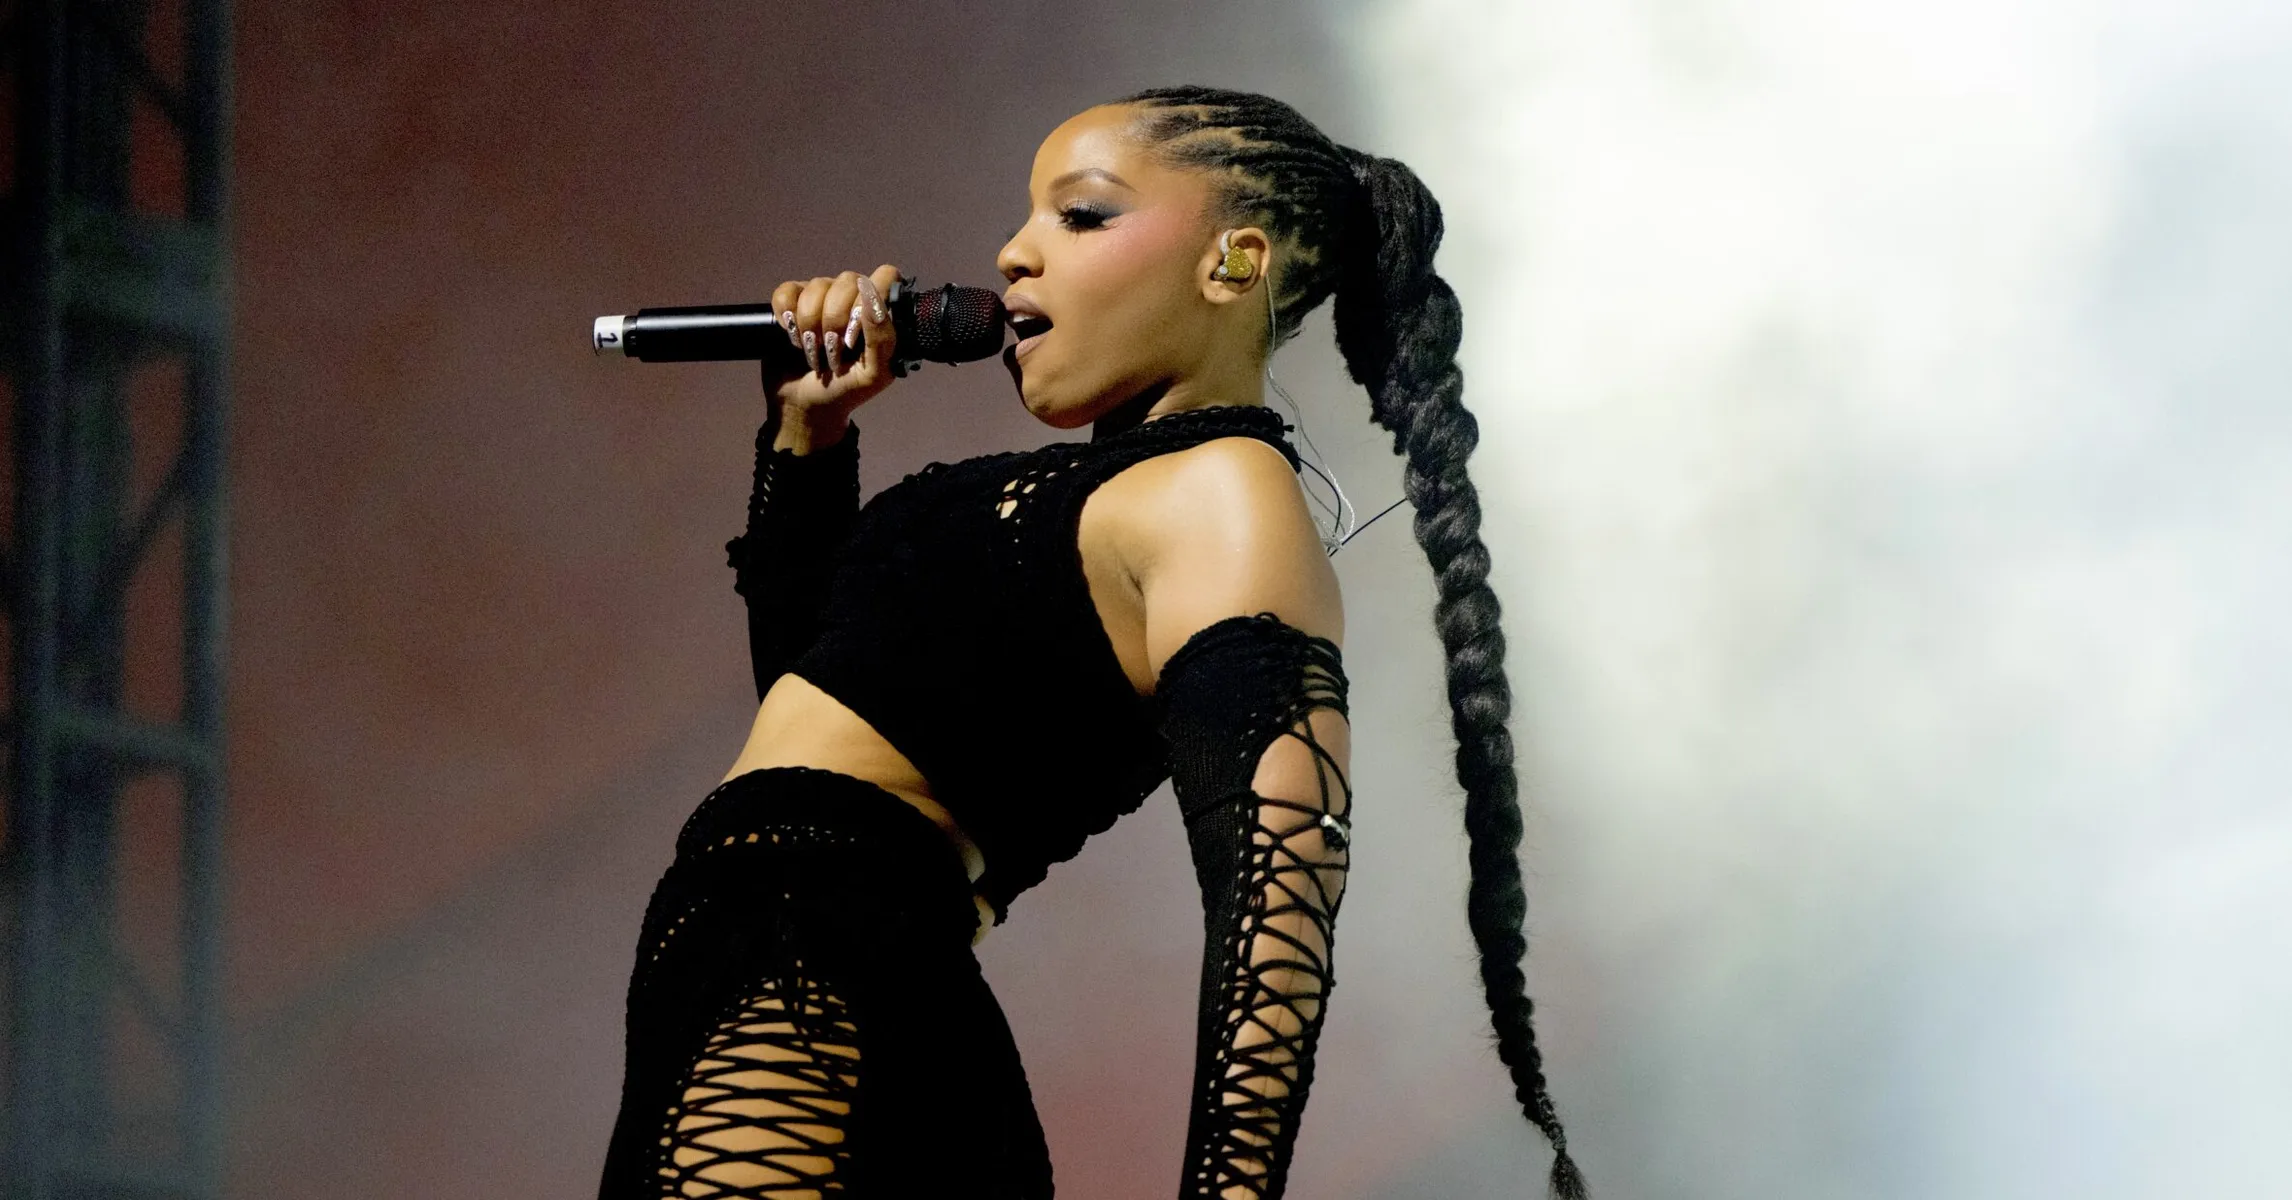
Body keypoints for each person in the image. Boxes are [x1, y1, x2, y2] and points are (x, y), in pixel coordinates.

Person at [596, 86, 1583, 1200]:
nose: (1014, 254)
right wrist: (807, 438)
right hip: (761, 973)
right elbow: (808, 712)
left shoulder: (1223, 490)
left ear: (1233, 263)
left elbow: (1276, 894)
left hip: (821, 984)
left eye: (1081, 215)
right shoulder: (1117, 488)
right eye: (1028, 217)